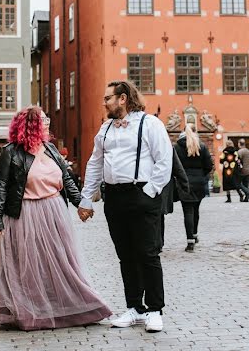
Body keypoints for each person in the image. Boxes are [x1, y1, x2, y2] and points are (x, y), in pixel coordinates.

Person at [0, 107, 111, 330]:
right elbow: (1, 188)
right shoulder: (10, 152)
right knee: (28, 266)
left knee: (61, 263)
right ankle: (30, 309)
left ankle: (73, 305)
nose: (47, 122)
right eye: (43, 119)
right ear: (31, 124)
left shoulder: (51, 149)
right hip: (24, 215)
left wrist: (81, 203)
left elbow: (67, 179)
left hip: (54, 213)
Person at [77, 80, 172, 333]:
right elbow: (95, 164)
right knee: (125, 256)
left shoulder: (150, 124)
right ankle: (134, 308)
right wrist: (86, 199)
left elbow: (164, 161)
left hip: (141, 194)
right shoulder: (105, 129)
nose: (104, 102)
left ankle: (154, 309)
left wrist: (149, 192)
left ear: (122, 98)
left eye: (108, 98)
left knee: (148, 254)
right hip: (115, 198)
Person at [174, 124, 212, 252]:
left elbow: (174, 165)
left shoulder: (178, 147)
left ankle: (190, 242)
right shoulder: (201, 145)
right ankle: (195, 235)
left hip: (184, 182)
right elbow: (209, 165)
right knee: (196, 209)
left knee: (187, 211)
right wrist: (202, 175)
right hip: (199, 181)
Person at [159, 137, 190, 249]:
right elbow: (177, 168)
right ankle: (159, 242)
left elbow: (177, 167)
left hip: (152, 185)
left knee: (156, 215)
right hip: (163, 185)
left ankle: (158, 242)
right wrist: (185, 184)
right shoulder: (167, 145)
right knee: (159, 215)